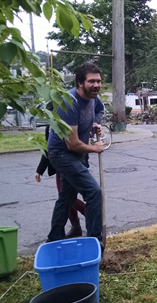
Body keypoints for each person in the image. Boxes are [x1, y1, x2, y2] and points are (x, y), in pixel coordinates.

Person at [46, 62, 105, 243]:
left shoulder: (93, 98)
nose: (96, 85)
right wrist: (94, 148)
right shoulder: (68, 103)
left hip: (77, 154)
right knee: (94, 193)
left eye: (98, 81)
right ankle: (95, 242)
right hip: (62, 154)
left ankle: (54, 239)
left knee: (67, 197)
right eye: (91, 81)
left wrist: (96, 123)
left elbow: (100, 109)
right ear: (80, 83)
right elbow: (72, 144)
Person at [35, 125, 86, 238]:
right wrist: (40, 169)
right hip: (60, 167)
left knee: (66, 199)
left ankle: (89, 213)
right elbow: (48, 148)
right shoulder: (50, 127)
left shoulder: (71, 123)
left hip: (75, 166)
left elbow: (81, 141)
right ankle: (76, 226)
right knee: (65, 198)